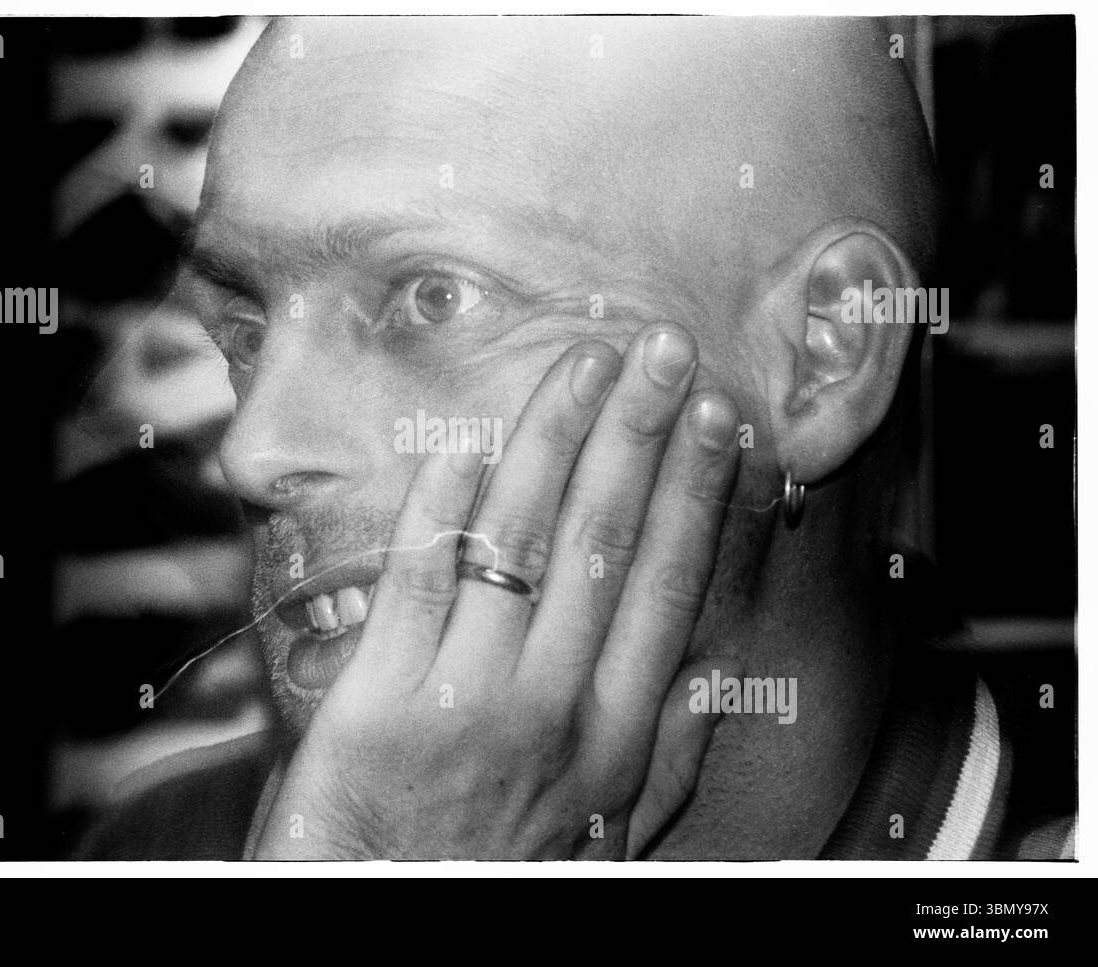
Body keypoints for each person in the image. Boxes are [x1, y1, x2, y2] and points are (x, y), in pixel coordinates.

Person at [79, 15, 1074, 860]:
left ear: (823, 354)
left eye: (430, 298)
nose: (255, 448)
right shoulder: (157, 848)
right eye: (245, 330)